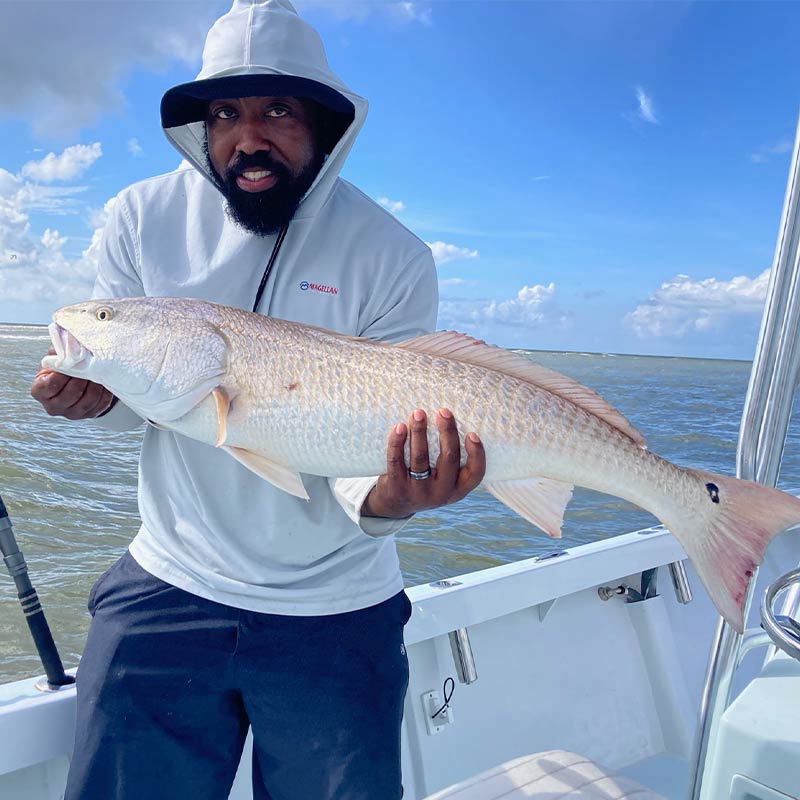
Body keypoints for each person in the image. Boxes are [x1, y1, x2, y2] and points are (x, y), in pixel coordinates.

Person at [30, 2, 486, 799]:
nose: (250, 137)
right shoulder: (140, 218)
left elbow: (357, 445)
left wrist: (390, 496)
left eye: (277, 109)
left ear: (325, 122)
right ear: (201, 130)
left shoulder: (393, 256)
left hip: (340, 606)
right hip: (171, 576)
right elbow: (145, 392)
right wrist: (94, 399)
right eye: (226, 114)